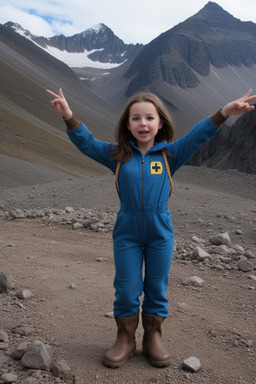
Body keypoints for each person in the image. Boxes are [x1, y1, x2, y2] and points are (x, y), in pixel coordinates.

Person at [46, 88, 256, 368]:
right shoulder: (116, 154)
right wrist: (69, 117)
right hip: (127, 233)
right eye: (135, 118)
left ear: (160, 123)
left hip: (160, 232)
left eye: (149, 118)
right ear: (127, 124)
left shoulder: (171, 154)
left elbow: (199, 134)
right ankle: (126, 339)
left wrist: (225, 112)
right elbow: (86, 143)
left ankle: (153, 337)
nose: (142, 124)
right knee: (126, 286)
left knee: (156, 286)